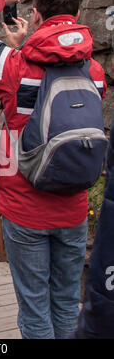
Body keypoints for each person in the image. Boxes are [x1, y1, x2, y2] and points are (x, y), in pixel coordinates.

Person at [0, 0, 107, 339]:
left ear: (37, 13)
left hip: (24, 207)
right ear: (76, 14)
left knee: (34, 306)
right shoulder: (95, 73)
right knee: (67, 301)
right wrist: (24, 46)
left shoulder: (13, 67)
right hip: (73, 206)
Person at [72, 120, 114, 339]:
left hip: (27, 212)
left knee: (35, 299)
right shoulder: (95, 84)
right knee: (67, 298)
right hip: (75, 209)